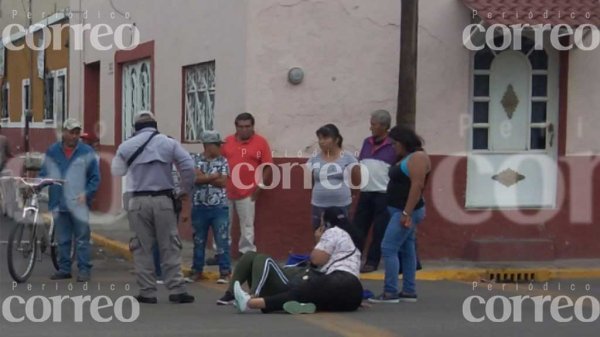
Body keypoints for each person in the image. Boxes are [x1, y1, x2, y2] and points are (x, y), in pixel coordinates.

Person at [111, 111, 196, 304]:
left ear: (136, 128)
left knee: (141, 247)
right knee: (170, 245)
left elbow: (117, 170)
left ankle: (147, 291)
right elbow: (188, 166)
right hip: (164, 200)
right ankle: (177, 289)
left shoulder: (126, 146)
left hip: (137, 201)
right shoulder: (168, 143)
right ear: (155, 126)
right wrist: (184, 190)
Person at [233, 207, 364, 314]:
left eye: (322, 221)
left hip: (340, 280)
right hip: (354, 296)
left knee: (300, 291)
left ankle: (250, 303)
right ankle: (303, 305)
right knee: (315, 297)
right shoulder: (351, 243)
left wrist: (318, 239)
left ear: (327, 224)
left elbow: (317, 260)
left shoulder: (334, 232)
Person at [369, 126, 430, 303]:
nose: (393, 147)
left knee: (388, 248)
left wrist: (406, 212)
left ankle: (390, 291)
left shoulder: (417, 157)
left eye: (395, 143)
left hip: (406, 211)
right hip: (400, 209)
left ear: (403, 142)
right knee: (407, 248)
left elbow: (417, 185)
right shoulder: (407, 157)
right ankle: (409, 290)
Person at [39, 118, 100, 282]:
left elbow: (94, 177)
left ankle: (84, 269)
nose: (74, 136)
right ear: (63, 133)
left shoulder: (86, 152)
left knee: (81, 238)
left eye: (77, 133)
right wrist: (37, 185)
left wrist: (87, 193)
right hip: (58, 201)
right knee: (63, 239)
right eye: (71, 133)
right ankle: (64, 268)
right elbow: (44, 172)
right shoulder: (53, 151)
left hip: (78, 202)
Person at [220, 112, 273, 256]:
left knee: (247, 225)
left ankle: (246, 254)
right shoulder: (227, 142)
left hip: (249, 192)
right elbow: (219, 163)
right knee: (223, 224)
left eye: (247, 126)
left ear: (252, 126)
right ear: (236, 127)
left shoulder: (261, 142)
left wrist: (260, 188)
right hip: (226, 190)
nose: (244, 130)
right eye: (241, 126)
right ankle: (221, 253)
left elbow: (267, 166)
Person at [353, 110, 397, 273]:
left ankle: (372, 261)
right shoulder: (367, 142)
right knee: (358, 228)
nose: (370, 127)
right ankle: (354, 259)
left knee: (379, 230)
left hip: (383, 193)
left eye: (373, 124)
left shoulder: (393, 144)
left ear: (384, 126)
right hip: (365, 191)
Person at [188, 130, 232, 284]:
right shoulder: (194, 159)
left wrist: (204, 178)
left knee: (222, 240)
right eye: (217, 145)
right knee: (198, 240)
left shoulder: (223, 161)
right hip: (199, 206)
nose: (220, 148)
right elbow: (194, 179)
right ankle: (196, 270)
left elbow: (223, 182)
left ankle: (225, 272)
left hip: (219, 206)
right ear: (208, 145)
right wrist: (213, 176)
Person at [307, 124, 361, 229]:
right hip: (319, 205)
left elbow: (357, 182)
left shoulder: (348, 157)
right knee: (319, 235)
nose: (321, 141)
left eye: (325, 138)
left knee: (341, 235)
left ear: (336, 140)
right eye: (320, 138)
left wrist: (351, 196)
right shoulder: (315, 158)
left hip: (341, 205)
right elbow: (310, 182)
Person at [215, 251, 305, 306]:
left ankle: (251, 296)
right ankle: (231, 293)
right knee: (249, 255)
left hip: (290, 285)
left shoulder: (316, 265)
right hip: (281, 277)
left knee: (264, 259)